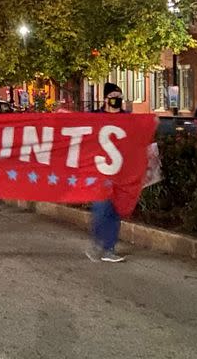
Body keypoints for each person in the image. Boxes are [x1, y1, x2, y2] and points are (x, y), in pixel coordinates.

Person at [86, 83, 126, 263]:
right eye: (113, 95)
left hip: (121, 174)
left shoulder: (128, 118)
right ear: (106, 98)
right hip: (100, 173)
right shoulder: (95, 117)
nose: (117, 99)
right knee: (101, 209)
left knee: (116, 211)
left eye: (119, 95)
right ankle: (97, 242)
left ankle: (109, 248)